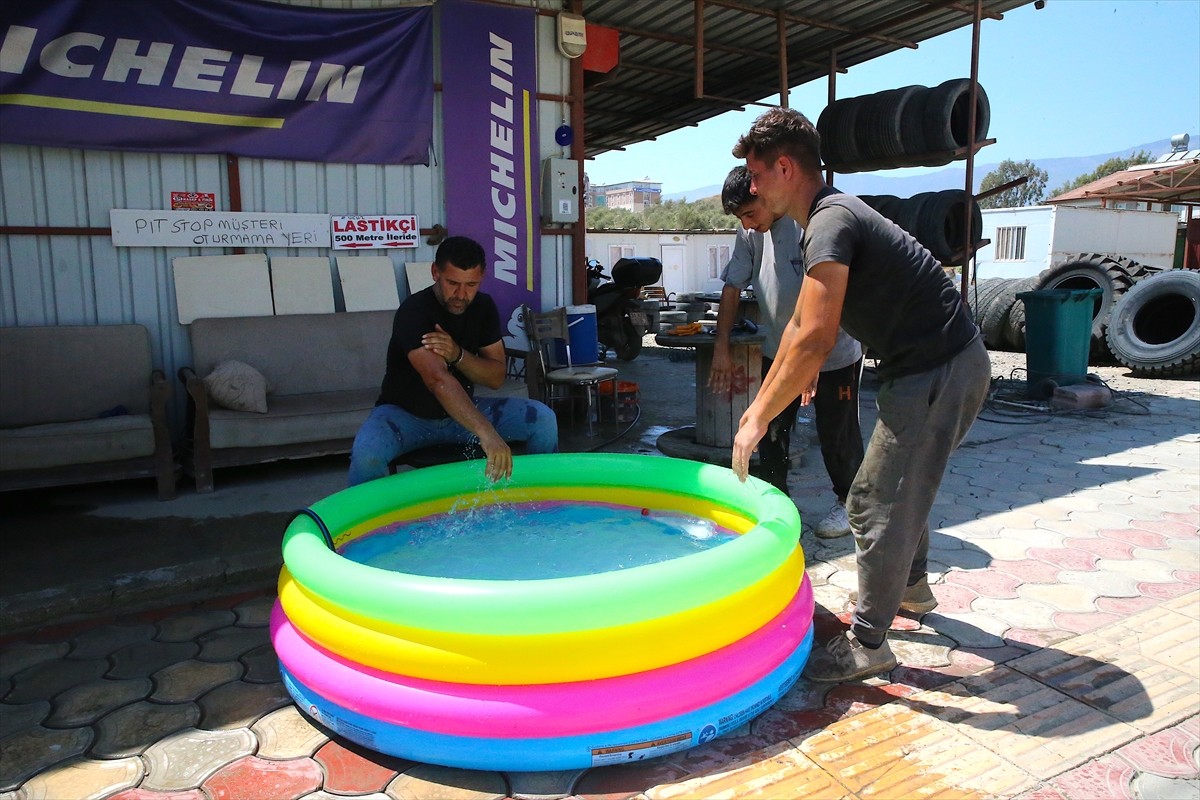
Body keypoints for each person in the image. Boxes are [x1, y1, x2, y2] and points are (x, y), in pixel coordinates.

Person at [730, 108, 991, 683]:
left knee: (874, 499)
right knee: (902, 483)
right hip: (924, 366)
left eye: (754, 176)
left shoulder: (830, 220)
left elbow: (818, 338)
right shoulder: (820, 220)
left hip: (940, 367)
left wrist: (756, 422)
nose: (751, 188)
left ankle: (870, 641)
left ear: (784, 166)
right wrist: (758, 409)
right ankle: (914, 589)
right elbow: (800, 327)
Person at [710, 165, 864, 539]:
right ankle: (775, 501)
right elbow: (733, 285)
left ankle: (851, 506)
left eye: (749, 213)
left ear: (765, 193)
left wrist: (813, 360)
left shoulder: (809, 224)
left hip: (834, 350)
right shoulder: (749, 231)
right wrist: (721, 347)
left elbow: (831, 299)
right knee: (771, 430)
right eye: (740, 218)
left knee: (837, 434)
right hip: (781, 350)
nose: (746, 224)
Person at [348, 236, 558, 486]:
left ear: (482, 277)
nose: (461, 294)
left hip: (463, 414)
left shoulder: (484, 306)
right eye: (453, 283)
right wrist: (487, 433)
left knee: (543, 419)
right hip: (406, 417)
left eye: (471, 284)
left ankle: (540, 501)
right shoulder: (414, 311)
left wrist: (457, 355)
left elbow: (495, 377)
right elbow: (438, 380)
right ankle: (367, 525)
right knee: (366, 456)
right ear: (435, 272)